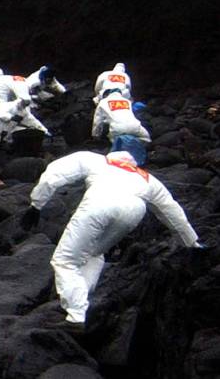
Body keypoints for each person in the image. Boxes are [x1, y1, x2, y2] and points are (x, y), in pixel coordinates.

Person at [22, 136, 201, 329]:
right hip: (134, 210)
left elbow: (54, 174)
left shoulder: (93, 159)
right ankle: (81, 301)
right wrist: (193, 244)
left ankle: (76, 315)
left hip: (100, 202)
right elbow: (173, 214)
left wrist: (36, 204)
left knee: (65, 260)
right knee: (94, 254)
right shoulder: (148, 178)